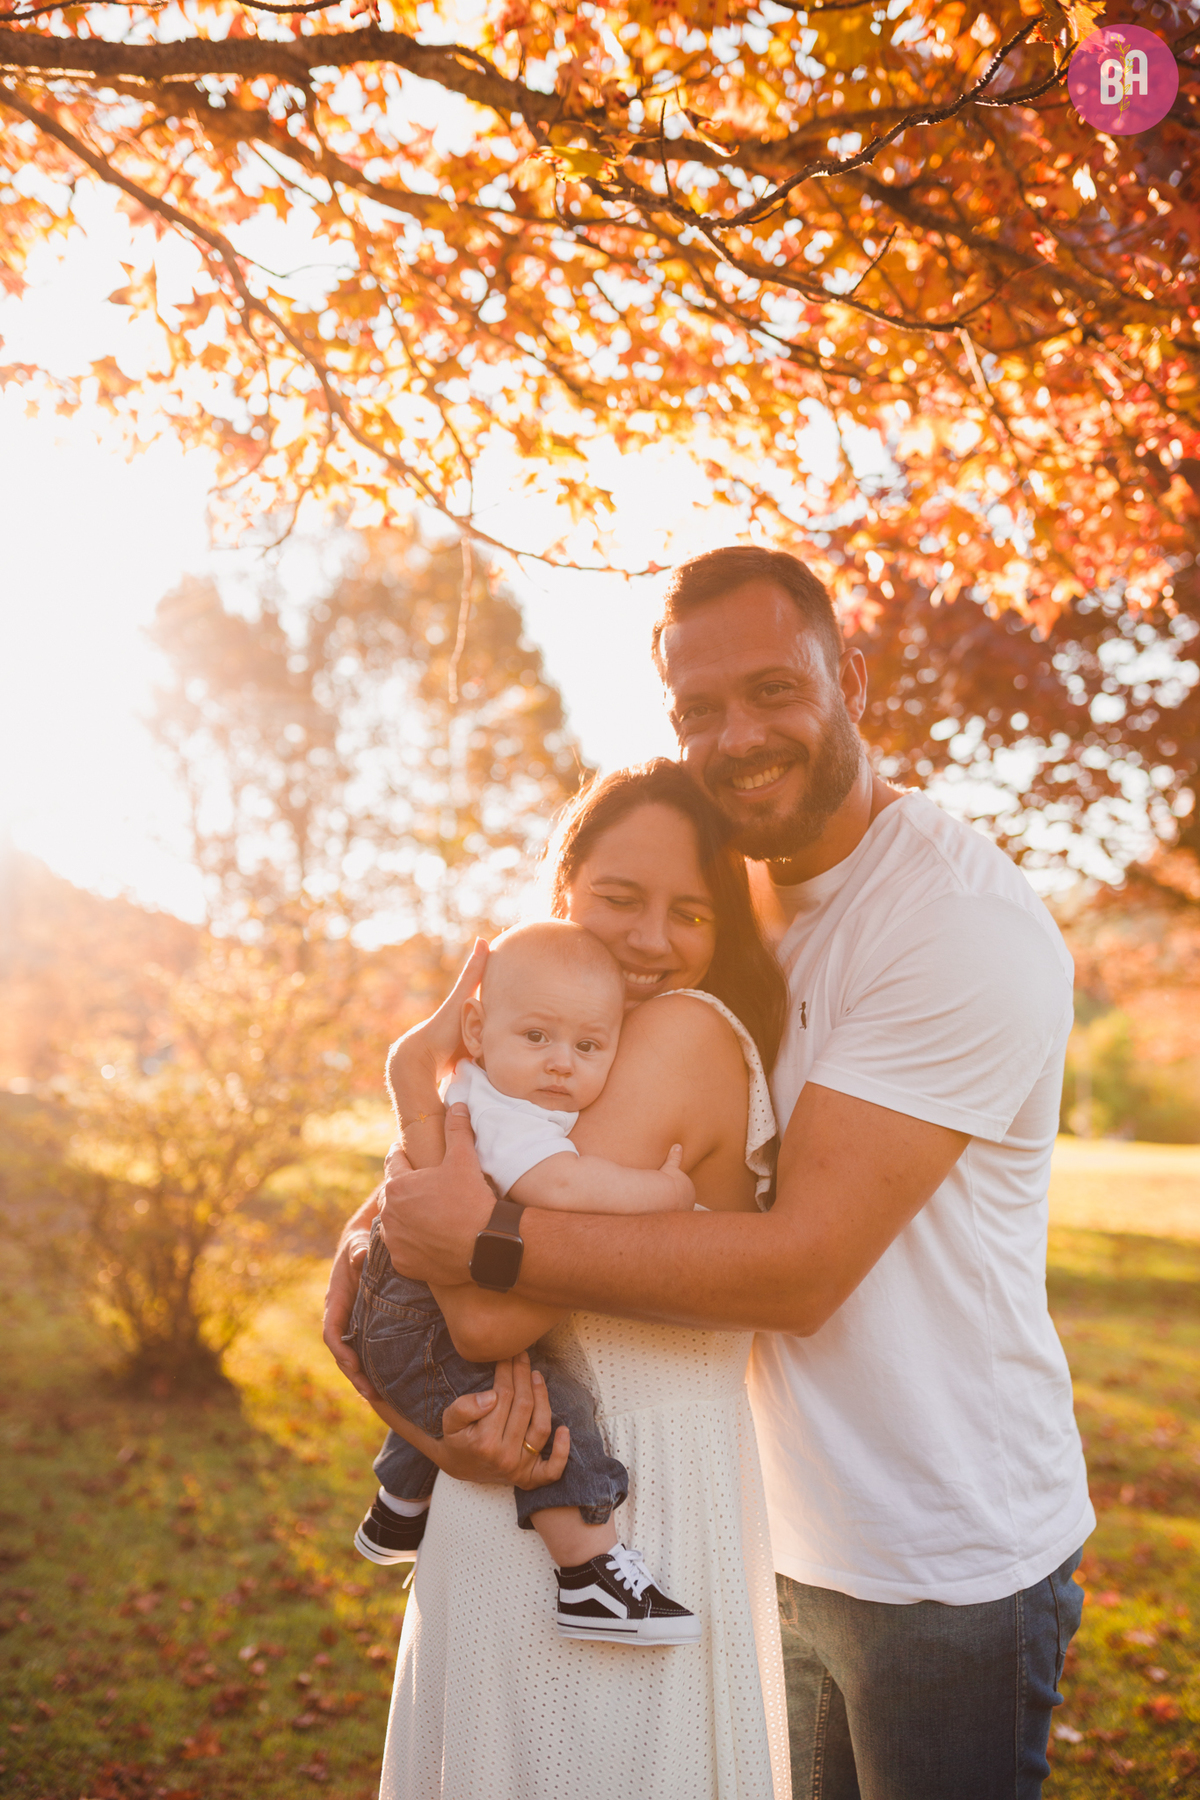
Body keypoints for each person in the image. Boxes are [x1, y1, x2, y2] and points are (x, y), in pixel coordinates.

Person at [344, 545, 1093, 1800]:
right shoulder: (715, 898)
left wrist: (466, 1246)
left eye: (772, 690)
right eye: (699, 710)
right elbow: (539, 1104)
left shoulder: (951, 922)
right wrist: (376, 1245)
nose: (737, 734)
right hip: (754, 1520)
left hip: (937, 1550)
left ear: (849, 679)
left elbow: (799, 1268)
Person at [327, 759, 793, 1799]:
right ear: (564, 890)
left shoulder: (677, 1034)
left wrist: (414, 1086)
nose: (650, 939)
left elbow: (484, 1305)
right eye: (619, 898)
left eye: (691, 912)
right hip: (525, 1480)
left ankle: (396, 1505)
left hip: (634, 1493)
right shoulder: (561, 1054)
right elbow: (441, 1208)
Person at [347, 917, 701, 1643]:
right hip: (415, 1311)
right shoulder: (509, 1116)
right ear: (475, 1031)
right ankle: (587, 1575)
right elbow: (563, 1187)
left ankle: (396, 1505)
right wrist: (663, 1193)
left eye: (588, 1046)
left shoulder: (477, 1082)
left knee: (457, 1377)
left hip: (395, 1305)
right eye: (537, 1037)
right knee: (549, 1397)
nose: (561, 1064)